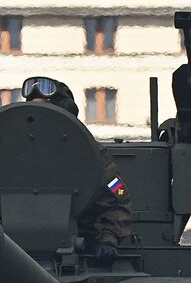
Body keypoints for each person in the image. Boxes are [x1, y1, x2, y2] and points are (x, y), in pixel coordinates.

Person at [20, 76, 133, 262]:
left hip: (79, 244)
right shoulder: (15, 151)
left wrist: (109, 239)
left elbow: (119, 196)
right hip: (18, 250)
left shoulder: (93, 154)